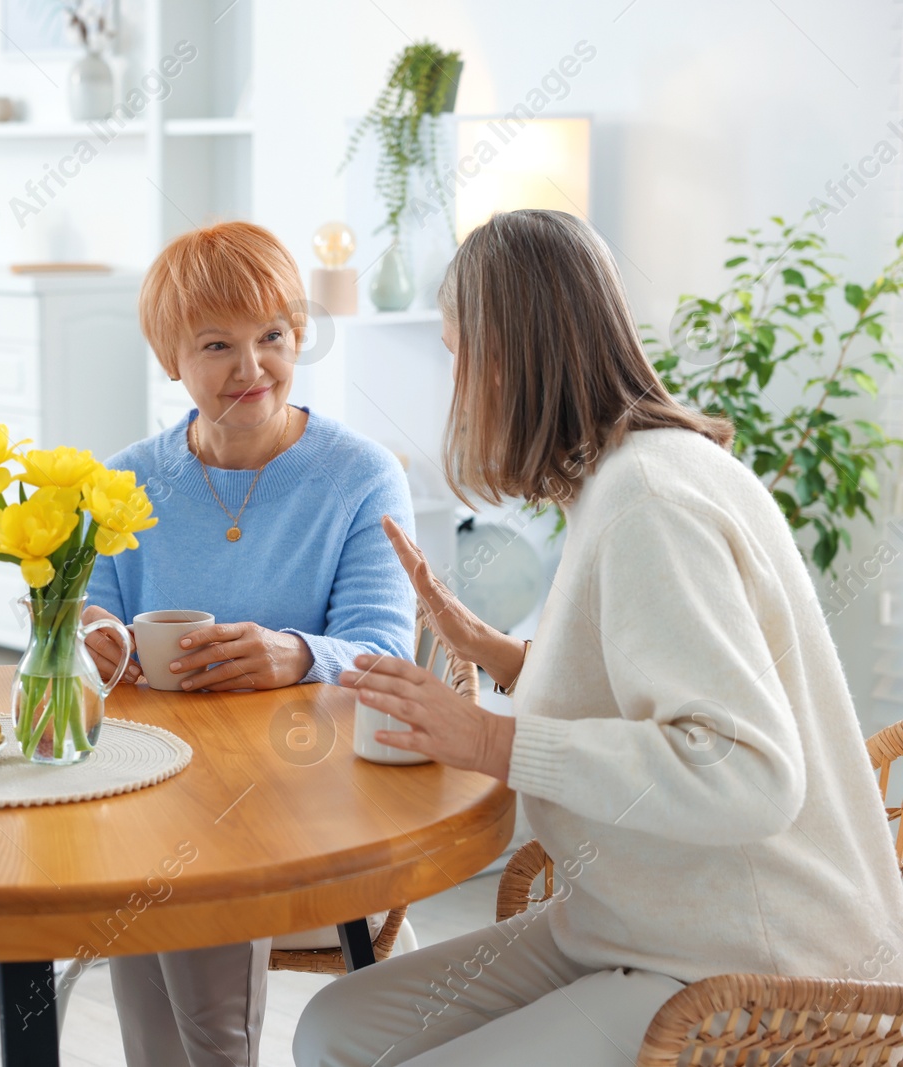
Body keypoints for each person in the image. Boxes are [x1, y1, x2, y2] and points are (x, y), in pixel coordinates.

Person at [294, 209, 903, 1066]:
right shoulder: (632, 475)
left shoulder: (650, 504)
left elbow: (746, 773)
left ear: (507, 353)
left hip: (743, 960)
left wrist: (488, 739)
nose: (456, 375)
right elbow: (650, 683)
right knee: (333, 1027)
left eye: (457, 348)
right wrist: (494, 652)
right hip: (632, 916)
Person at [83, 220, 417, 1067]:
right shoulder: (125, 479)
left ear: (297, 335)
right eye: (216, 345)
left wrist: (298, 654)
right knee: (151, 842)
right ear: (171, 361)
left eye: (272, 336)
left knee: (180, 857)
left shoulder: (360, 473)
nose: (251, 368)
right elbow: (95, 613)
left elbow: (387, 648)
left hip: (309, 785)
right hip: (157, 779)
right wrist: (88, 636)